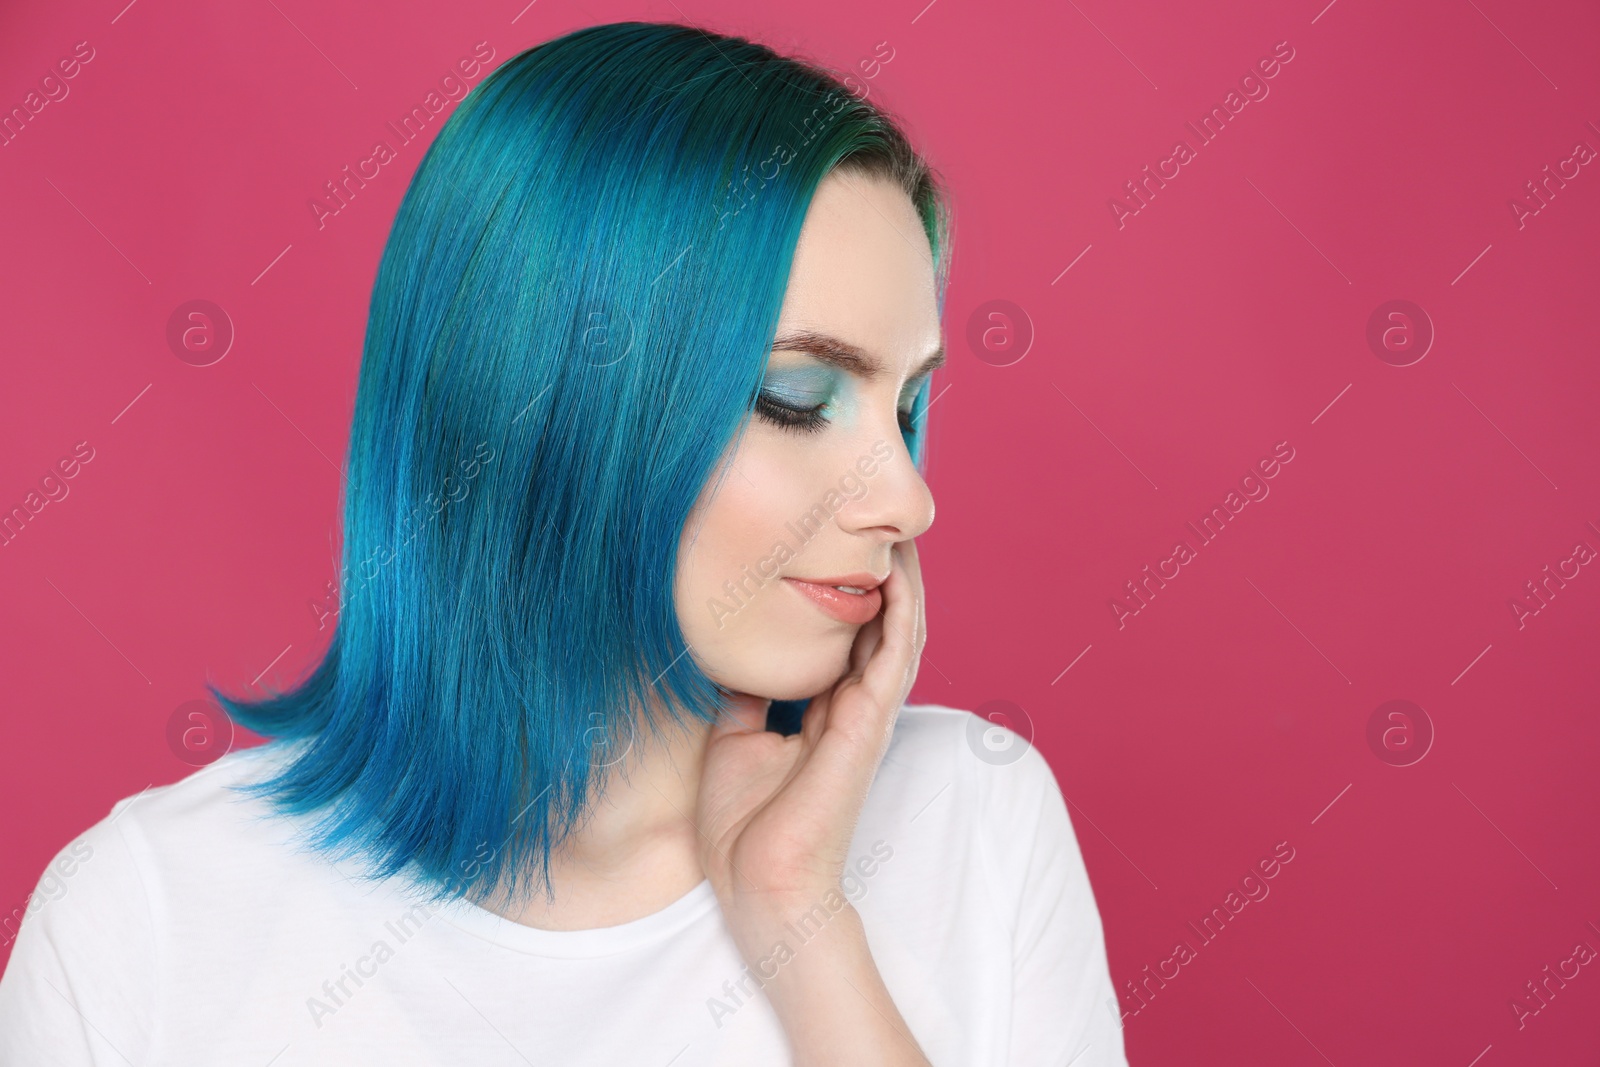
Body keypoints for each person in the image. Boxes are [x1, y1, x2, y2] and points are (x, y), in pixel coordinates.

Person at [0, 21, 1127, 1066]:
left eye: (908, 406)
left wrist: (802, 919)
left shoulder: (976, 819)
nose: (910, 501)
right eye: (797, 394)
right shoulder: (145, 921)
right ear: (544, 402)